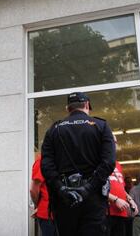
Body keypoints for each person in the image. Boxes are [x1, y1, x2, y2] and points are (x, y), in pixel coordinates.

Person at [41, 91, 115, 236]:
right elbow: (108, 162)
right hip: (93, 198)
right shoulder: (101, 126)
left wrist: (61, 188)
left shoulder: (54, 129)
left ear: (68, 108)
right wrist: (88, 188)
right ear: (87, 105)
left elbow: (46, 166)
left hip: (64, 199)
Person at [107, 158, 138, 236]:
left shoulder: (117, 164)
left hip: (121, 213)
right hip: (106, 213)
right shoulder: (98, 161)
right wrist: (115, 200)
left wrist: (131, 200)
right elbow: (96, 188)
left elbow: (122, 187)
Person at [30, 154, 56, 236]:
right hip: (50, 214)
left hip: (49, 214)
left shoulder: (42, 160)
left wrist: (37, 204)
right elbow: (34, 190)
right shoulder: (43, 161)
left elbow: (33, 190)